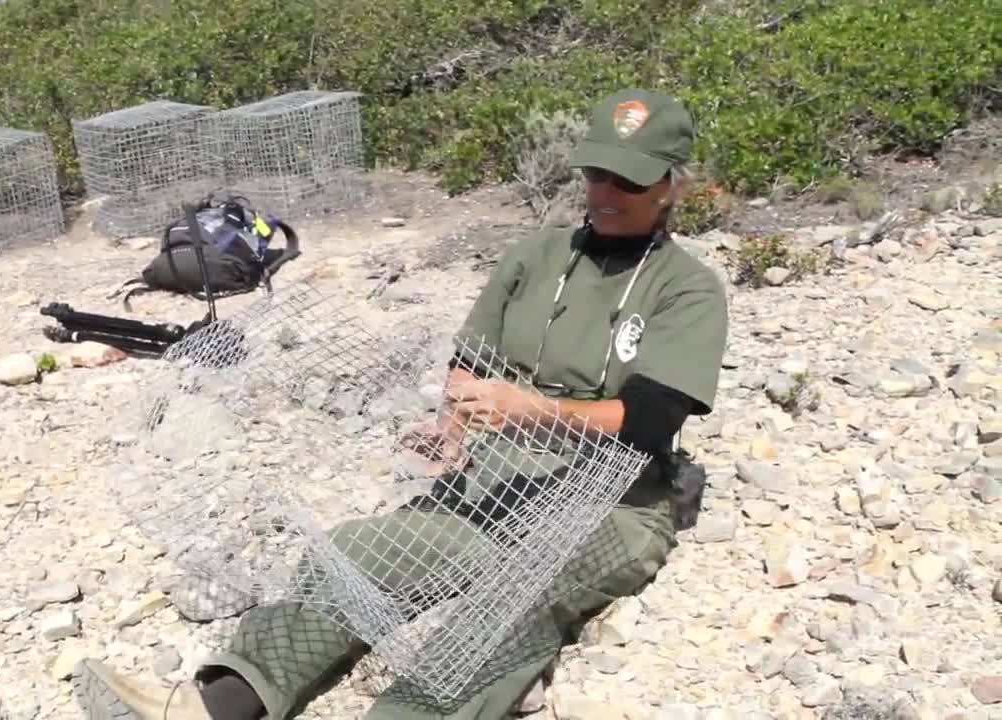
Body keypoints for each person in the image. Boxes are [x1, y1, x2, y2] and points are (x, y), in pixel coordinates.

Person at [73, 87, 730, 720]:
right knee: (356, 553)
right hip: (499, 480)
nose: (604, 194)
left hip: (612, 501)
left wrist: (527, 409)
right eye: (595, 173)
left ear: (673, 185)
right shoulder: (537, 253)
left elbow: (648, 423)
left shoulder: (688, 289)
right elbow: (472, 362)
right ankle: (217, 704)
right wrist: (450, 429)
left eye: (629, 182)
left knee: (510, 604)